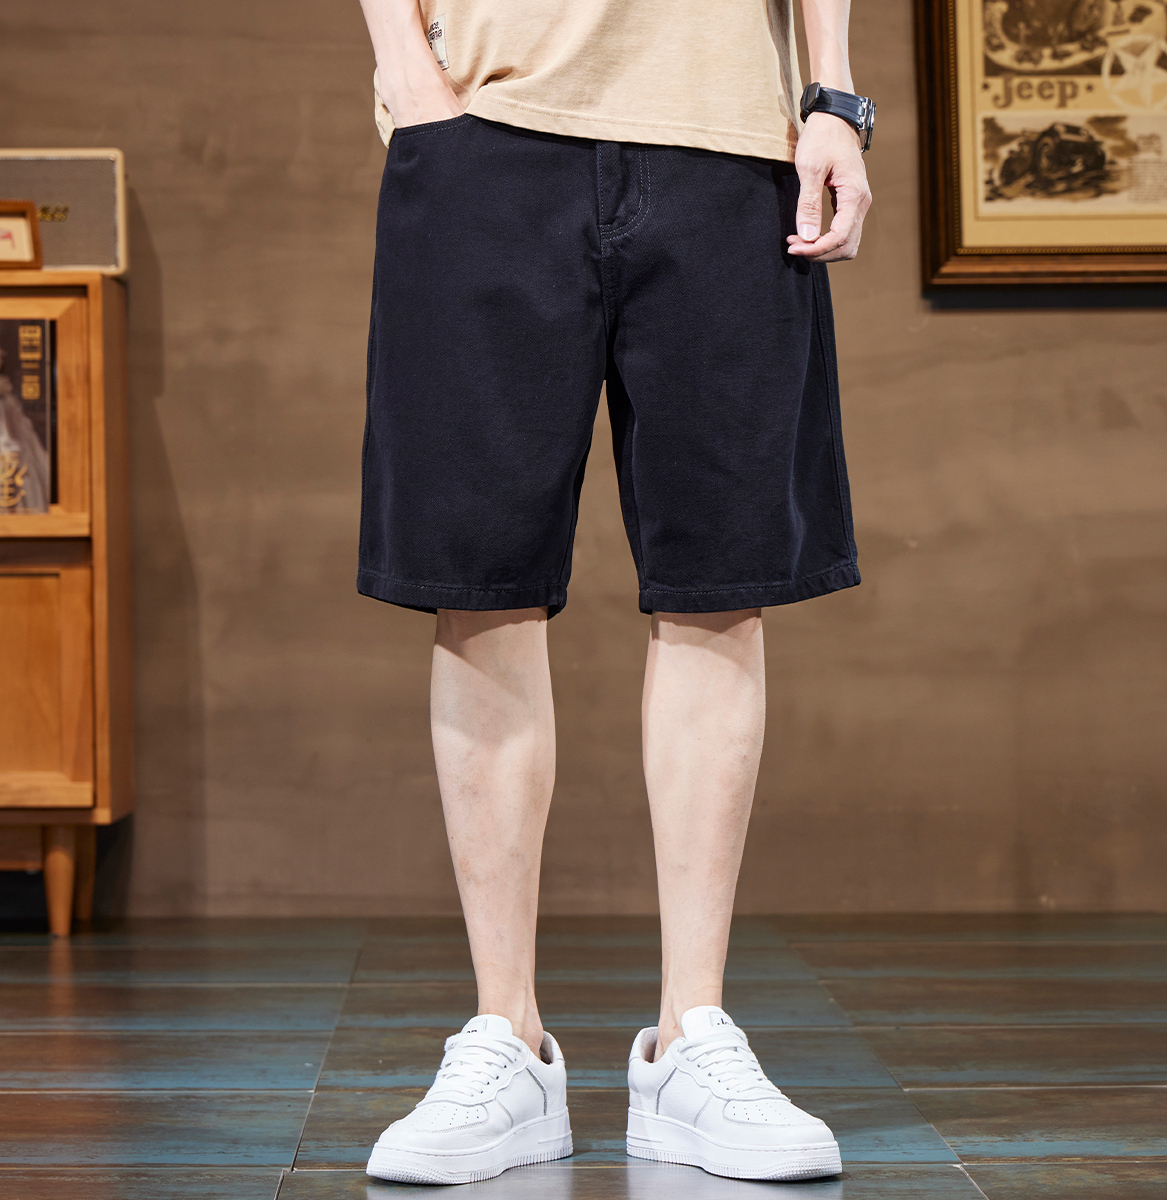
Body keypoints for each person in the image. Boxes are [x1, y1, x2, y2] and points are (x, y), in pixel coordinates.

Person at [355, 0, 873, 1184]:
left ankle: (693, 1038)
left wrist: (832, 99)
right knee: (478, 582)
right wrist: (409, 79)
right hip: (485, 125)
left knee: (720, 584)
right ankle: (506, 1040)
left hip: (732, 140)